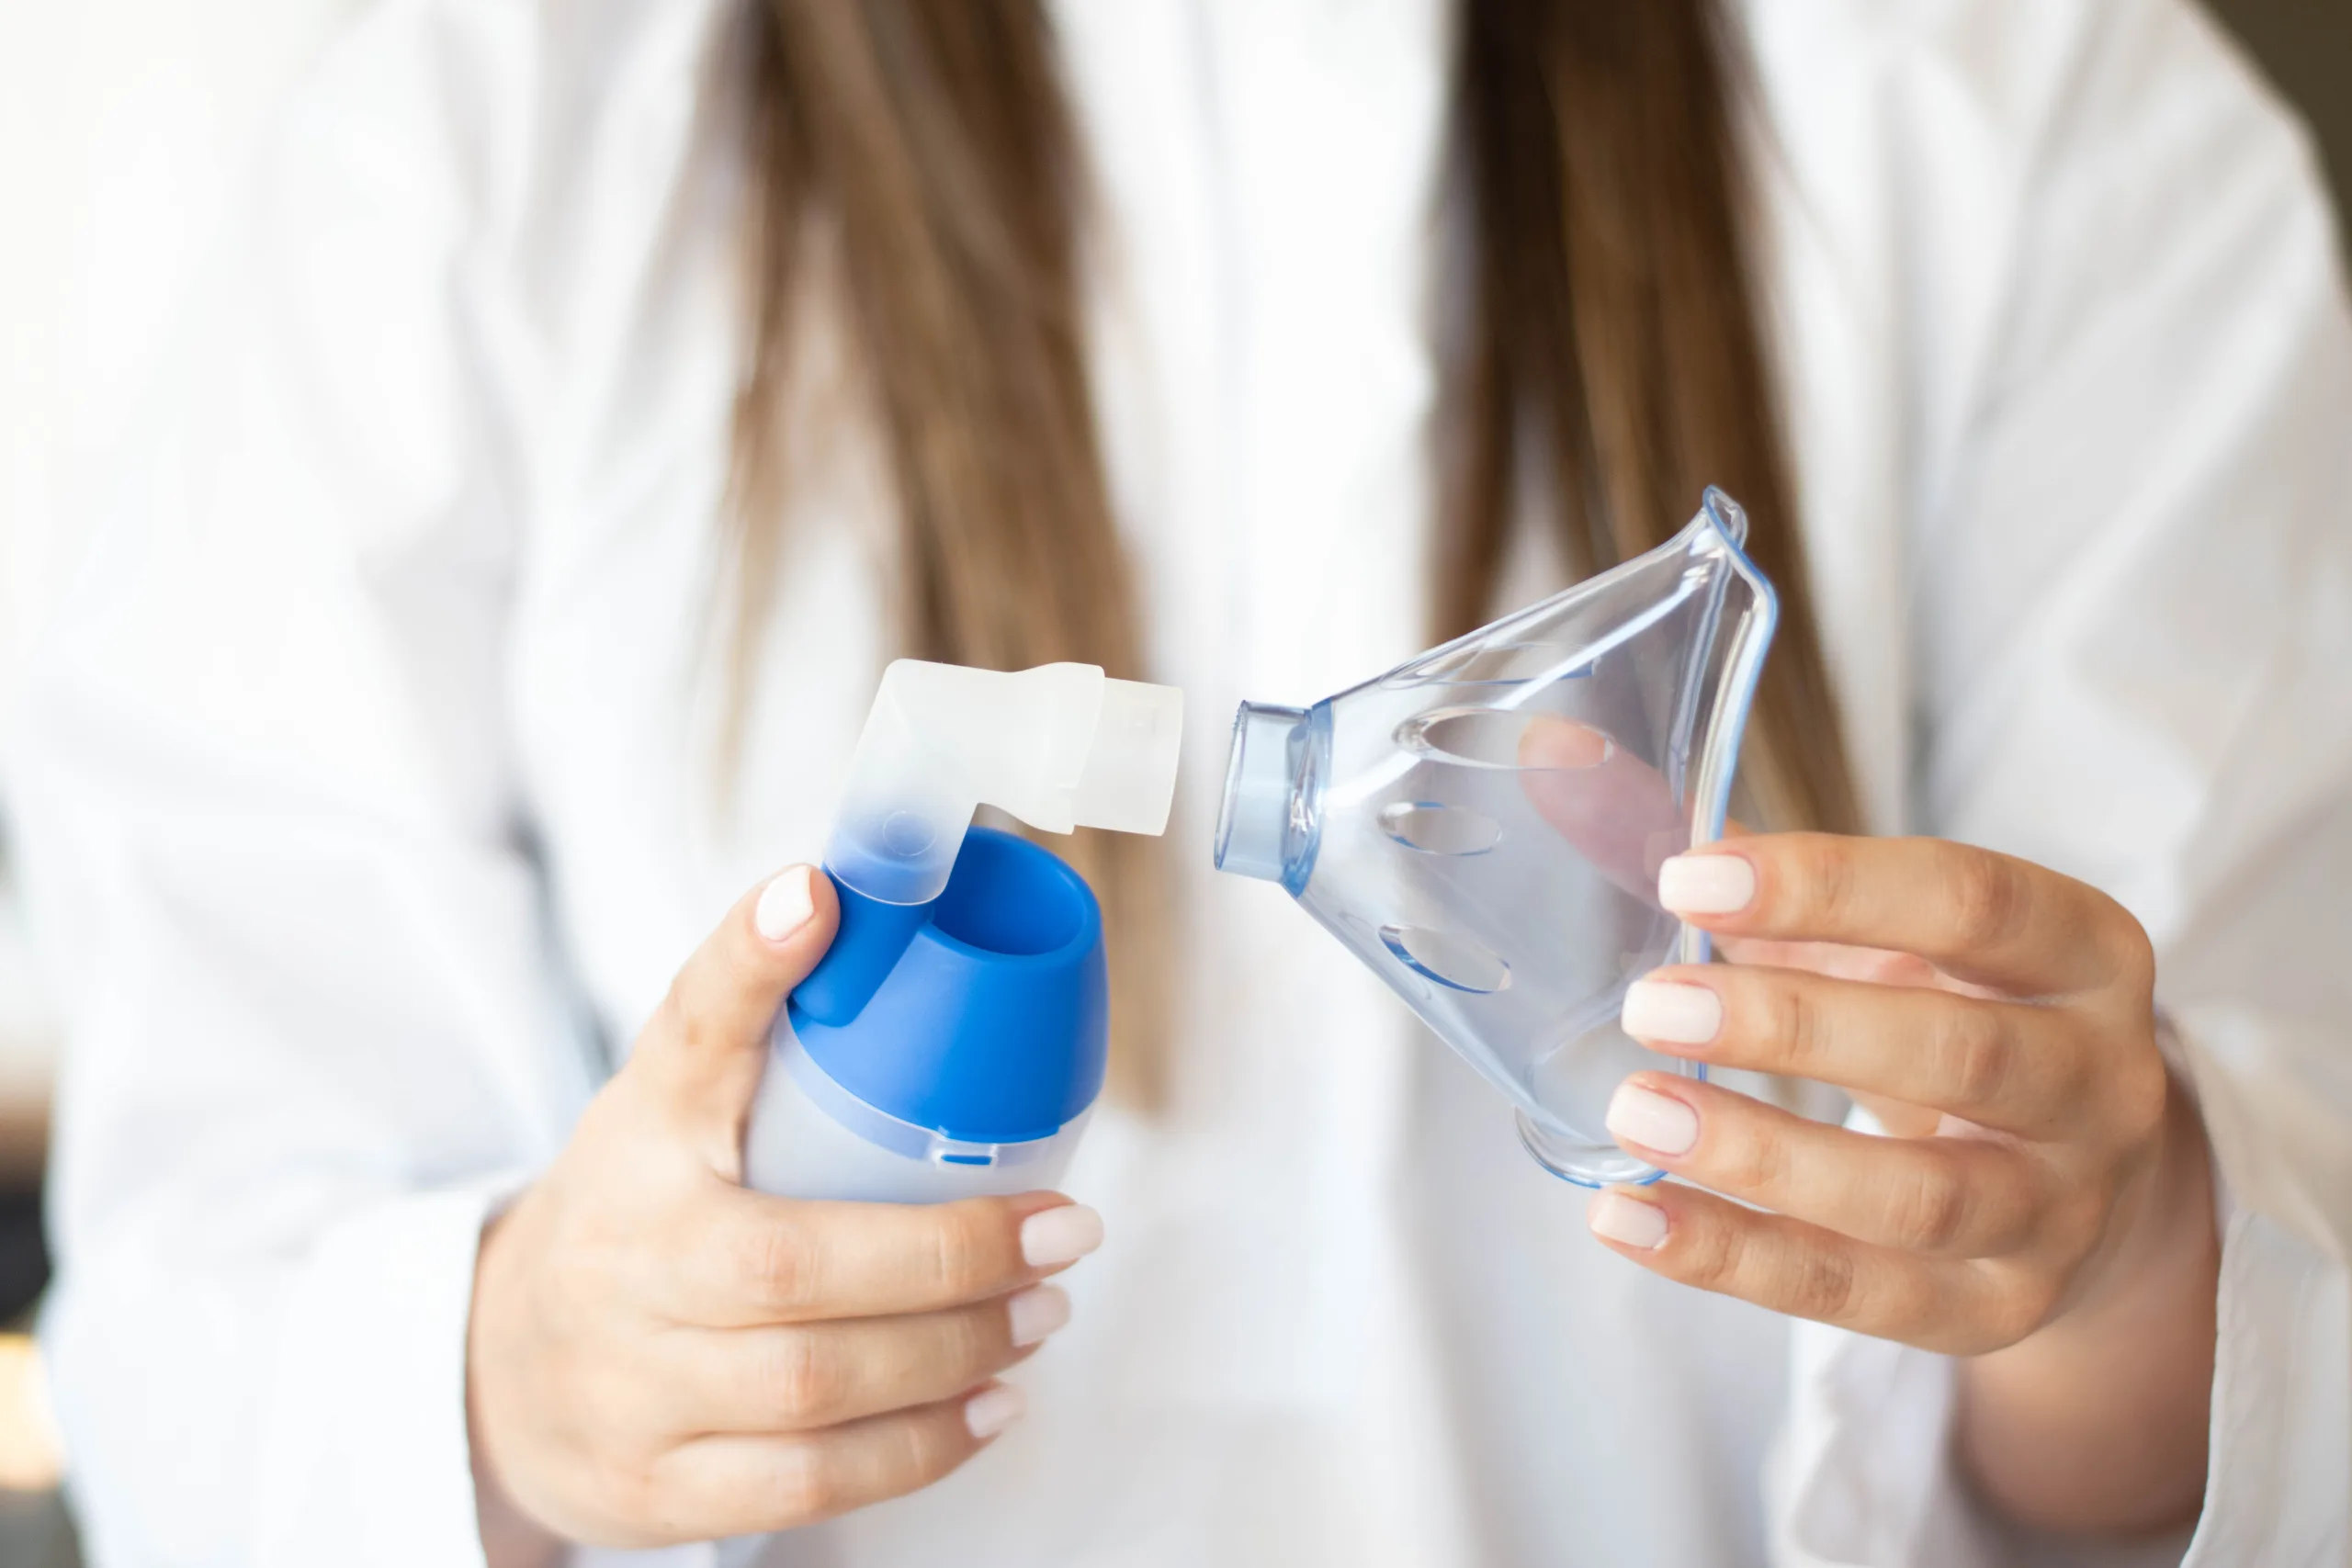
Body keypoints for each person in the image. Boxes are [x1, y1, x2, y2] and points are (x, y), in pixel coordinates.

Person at [9, 0, 2348, 1563]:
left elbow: (2257, 1416)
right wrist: (518, 1368)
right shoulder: (490, 113)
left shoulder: (2022, 109)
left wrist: (2116, 1239)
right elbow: (212, 1289)